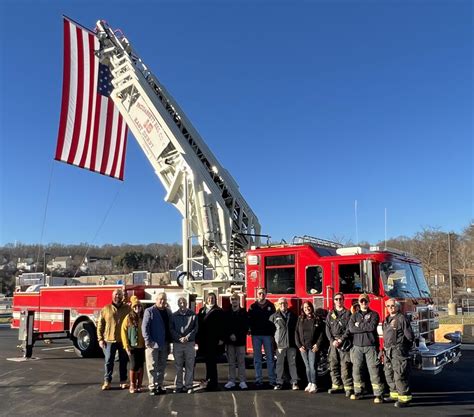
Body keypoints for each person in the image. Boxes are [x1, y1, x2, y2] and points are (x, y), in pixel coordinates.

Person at [348, 293, 384, 403]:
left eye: (365, 301)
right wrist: (363, 326)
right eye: (361, 301)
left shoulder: (374, 314)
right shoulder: (354, 315)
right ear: (359, 302)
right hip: (357, 347)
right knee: (356, 370)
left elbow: (371, 327)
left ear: (369, 302)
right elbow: (351, 329)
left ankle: (378, 394)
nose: (363, 303)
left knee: (374, 370)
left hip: (370, 347)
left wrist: (359, 325)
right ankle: (359, 391)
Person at [382, 298, 415, 408]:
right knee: (389, 373)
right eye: (388, 306)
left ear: (397, 307)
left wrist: (404, 349)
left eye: (392, 306)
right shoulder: (386, 319)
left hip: (398, 350)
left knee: (399, 374)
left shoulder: (401, 319)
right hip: (387, 350)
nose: (390, 308)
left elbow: (410, 336)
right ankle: (394, 394)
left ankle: (404, 398)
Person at [97, 288, 131, 390]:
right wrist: (100, 339)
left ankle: (123, 381)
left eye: (120, 295)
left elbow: (132, 323)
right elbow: (100, 324)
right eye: (116, 294)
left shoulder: (127, 309)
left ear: (122, 296)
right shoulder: (106, 309)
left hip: (123, 340)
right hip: (109, 340)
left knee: (123, 361)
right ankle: (107, 381)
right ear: (112, 296)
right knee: (108, 361)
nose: (118, 296)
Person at [326, 292, 353, 397]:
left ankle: (348, 387)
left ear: (343, 300)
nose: (338, 301)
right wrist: (332, 340)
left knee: (345, 365)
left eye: (340, 299)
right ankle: (336, 386)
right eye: (336, 299)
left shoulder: (348, 314)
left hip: (344, 343)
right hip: (333, 343)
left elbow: (349, 329)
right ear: (334, 301)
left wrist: (341, 340)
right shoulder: (331, 314)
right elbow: (327, 328)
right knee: (333, 365)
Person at [248, 288, 276, 387]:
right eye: (259, 293)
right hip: (256, 335)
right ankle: (258, 379)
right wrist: (249, 330)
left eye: (263, 293)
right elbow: (249, 320)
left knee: (270, 358)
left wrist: (273, 335)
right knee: (257, 358)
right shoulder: (252, 306)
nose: (261, 295)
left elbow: (274, 322)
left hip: (268, 336)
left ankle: (272, 379)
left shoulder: (271, 306)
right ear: (257, 294)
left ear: (266, 294)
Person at [295, 301, 325, 393]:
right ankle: (310, 383)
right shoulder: (300, 319)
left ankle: (314, 384)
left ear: (311, 307)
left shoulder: (317, 318)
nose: (307, 309)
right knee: (307, 366)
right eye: (304, 308)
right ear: (302, 310)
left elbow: (321, 333)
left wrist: (317, 344)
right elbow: (296, 332)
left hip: (313, 347)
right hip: (303, 347)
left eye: (308, 307)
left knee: (312, 366)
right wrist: (299, 345)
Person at [196, 292, 224, 391]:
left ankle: (213, 383)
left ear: (215, 300)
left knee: (212, 363)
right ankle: (208, 381)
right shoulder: (201, 311)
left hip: (214, 341)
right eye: (209, 298)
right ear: (206, 299)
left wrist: (222, 339)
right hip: (204, 341)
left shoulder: (219, 311)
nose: (210, 300)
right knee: (207, 363)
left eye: (212, 298)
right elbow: (198, 326)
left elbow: (223, 327)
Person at [270, 297, 299, 390]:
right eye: (281, 303)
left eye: (285, 303)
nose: (283, 305)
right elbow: (271, 331)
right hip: (280, 344)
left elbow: (297, 330)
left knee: (292, 363)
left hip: (291, 343)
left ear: (287, 305)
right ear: (278, 305)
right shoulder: (274, 316)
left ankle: (294, 382)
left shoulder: (293, 315)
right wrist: (274, 344)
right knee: (279, 364)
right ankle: (279, 382)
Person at [170, 296, 198, 394]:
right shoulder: (173, 316)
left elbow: (195, 328)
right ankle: (179, 385)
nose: (182, 305)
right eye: (180, 303)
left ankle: (189, 385)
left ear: (187, 304)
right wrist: (179, 338)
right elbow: (171, 329)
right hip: (178, 343)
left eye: (184, 303)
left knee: (189, 365)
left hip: (189, 343)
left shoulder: (193, 315)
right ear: (178, 304)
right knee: (178, 366)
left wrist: (187, 337)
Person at [142, 292, 167, 395]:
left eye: (164, 299)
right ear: (156, 300)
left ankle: (160, 385)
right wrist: (148, 341)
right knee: (152, 366)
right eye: (160, 299)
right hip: (152, 344)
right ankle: (153, 386)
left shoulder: (167, 312)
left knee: (162, 366)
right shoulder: (149, 311)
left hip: (164, 344)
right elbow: (144, 327)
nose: (162, 301)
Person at [223, 293, 249, 390]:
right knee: (231, 362)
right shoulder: (227, 313)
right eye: (232, 299)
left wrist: (236, 335)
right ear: (230, 301)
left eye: (236, 299)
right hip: (230, 342)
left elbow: (245, 327)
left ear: (239, 301)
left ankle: (242, 381)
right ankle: (231, 381)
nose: (234, 301)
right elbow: (225, 327)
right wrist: (230, 335)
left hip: (240, 341)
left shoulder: (243, 313)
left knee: (241, 361)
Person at [121, 295, 145, 393]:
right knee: (133, 365)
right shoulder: (128, 318)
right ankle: (132, 384)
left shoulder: (143, 317)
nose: (137, 309)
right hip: (132, 346)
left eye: (139, 307)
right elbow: (123, 332)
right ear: (132, 308)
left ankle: (139, 384)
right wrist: (126, 346)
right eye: (135, 307)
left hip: (142, 346)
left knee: (141, 365)